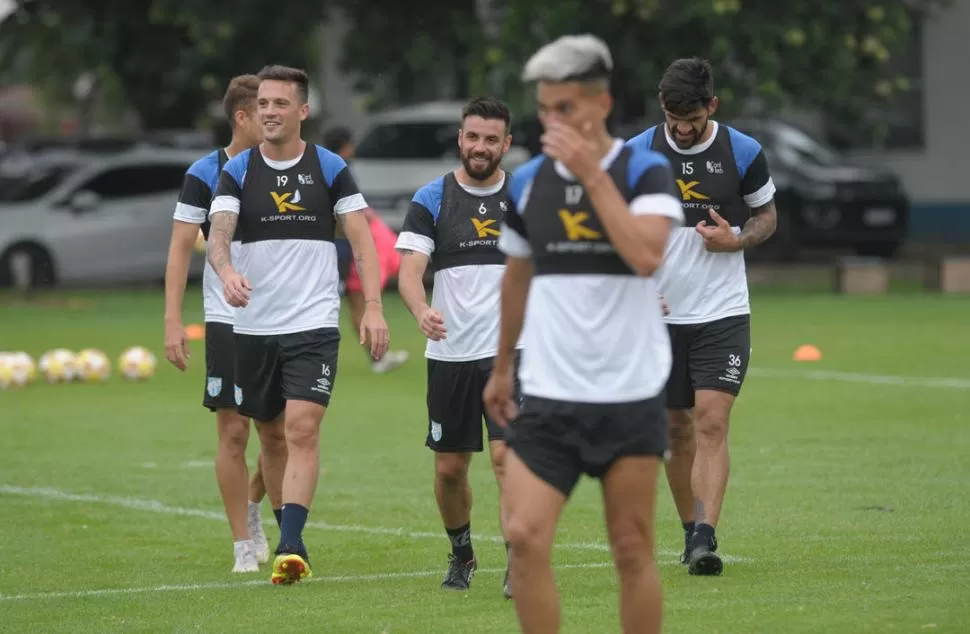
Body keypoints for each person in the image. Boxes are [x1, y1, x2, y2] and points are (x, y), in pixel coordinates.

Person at [483, 35, 684, 634]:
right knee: (523, 536)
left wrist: (591, 177)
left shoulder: (643, 170)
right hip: (549, 392)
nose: (552, 122)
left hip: (629, 391)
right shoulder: (526, 182)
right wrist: (500, 370)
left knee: (630, 548)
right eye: (544, 110)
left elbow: (647, 256)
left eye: (564, 108)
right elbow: (516, 278)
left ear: (600, 103)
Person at [207, 64, 390, 585]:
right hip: (253, 326)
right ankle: (276, 524)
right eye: (262, 104)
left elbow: (361, 239)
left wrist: (373, 305)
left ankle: (291, 543)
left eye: (279, 104)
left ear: (302, 111)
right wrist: (226, 271)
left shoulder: (329, 167)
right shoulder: (238, 170)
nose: (268, 112)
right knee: (271, 440)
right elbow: (219, 233)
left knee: (302, 428)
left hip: (313, 324)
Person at [625, 57, 777, 576]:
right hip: (658, 317)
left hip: (722, 311)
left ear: (711, 106)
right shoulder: (636, 154)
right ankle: (691, 531)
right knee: (675, 428)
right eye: (673, 119)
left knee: (711, 421)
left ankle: (706, 538)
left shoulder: (743, 151)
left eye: (690, 119)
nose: (681, 129)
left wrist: (736, 239)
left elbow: (766, 217)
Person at [394, 96, 520, 598]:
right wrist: (421, 309)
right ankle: (462, 552)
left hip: (514, 351)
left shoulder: (527, 195)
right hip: (451, 355)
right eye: (473, 137)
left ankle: (520, 560)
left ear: (506, 144)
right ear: (460, 139)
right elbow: (408, 272)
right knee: (450, 469)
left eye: (491, 139)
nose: (481, 147)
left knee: (509, 459)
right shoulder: (433, 198)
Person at [163, 74, 285, 574]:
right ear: (242, 116)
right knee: (234, 435)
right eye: (264, 110)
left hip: (282, 320)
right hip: (225, 320)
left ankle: (261, 513)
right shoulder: (205, 172)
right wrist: (173, 320)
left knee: (277, 436)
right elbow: (177, 250)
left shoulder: (288, 168)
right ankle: (242, 544)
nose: (273, 118)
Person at [323, 125, 409, 373]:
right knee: (353, 302)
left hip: (336, 246)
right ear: (346, 145)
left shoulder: (320, 166)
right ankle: (376, 357)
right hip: (341, 247)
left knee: (354, 302)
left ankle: (377, 356)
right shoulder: (340, 169)